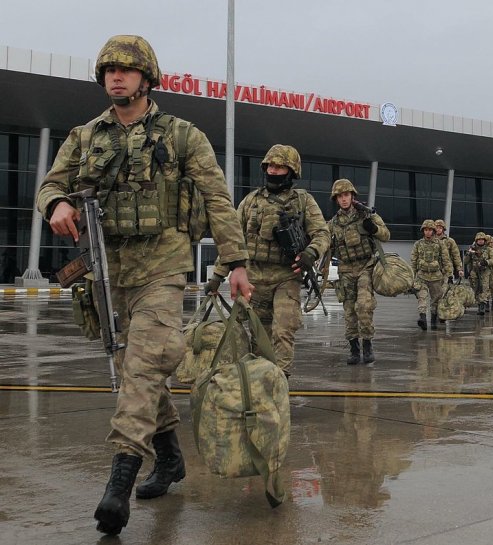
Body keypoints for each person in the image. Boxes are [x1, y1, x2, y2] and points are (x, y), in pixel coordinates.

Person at [36, 35, 253, 536]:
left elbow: (217, 199)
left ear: (147, 77)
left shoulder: (181, 135)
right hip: (108, 272)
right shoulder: (85, 136)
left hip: (163, 267)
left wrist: (236, 260)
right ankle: (171, 458)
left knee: (140, 367)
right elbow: (51, 183)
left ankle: (118, 484)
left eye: (127, 70)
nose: (116, 77)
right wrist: (56, 205)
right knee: (134, 369)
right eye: (109, 70)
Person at [206, 144, 330, 374]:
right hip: (254, 278)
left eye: (280, 166)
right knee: (258, 337)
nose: (273, 171)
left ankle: (279, 384)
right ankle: (258, 385)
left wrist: (310, 253)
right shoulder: (251, 201)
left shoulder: (303, 201)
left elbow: (322, 233)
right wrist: (217, 276)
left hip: (286, 277)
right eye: (271, 165)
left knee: (283, 332)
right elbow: (233, 240)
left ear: (291, 171)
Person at [328, 179, 390, 364]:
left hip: (366, 266)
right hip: (346, 269)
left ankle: (368, 344)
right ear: (336, 199)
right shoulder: (333, 223)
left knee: (363, 306)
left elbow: (386, 235)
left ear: (352, 196)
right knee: (349, 312)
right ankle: (354, 348)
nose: (344, 199)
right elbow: (322, 241)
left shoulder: (366, 216)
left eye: (346, 195)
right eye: (340, 196)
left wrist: (375, 228)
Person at [411, 220, 452, 330]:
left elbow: (446, 260)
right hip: (422, 276)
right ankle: (423, 318)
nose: (427, 232)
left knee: (436, 299)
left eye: (430, 230)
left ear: (433, 231)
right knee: (422, 297)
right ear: (423, 231)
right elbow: (413, 261)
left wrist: (449, 274)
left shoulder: (440, 244)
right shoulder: (418, 244)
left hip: (436, 277)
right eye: (425, 230)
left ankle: (433, 320)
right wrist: (412, 277)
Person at [463, 232, 493, 314]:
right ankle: (478, 303)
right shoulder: (472, 249)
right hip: (474, 272)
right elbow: (466, 261)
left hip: (485, 271)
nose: (480, 241)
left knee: (484, 287)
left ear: (484, 240)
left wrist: (486, 262)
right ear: (476, 240)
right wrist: (469, 253)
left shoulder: (488, 249)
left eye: (482, 240)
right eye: (479, 240)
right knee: (475, 288)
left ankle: (482, 306)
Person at [434, 219, 463, 283]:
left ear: (443, 229)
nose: (438, 229)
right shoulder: (430, 241)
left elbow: (456, 256)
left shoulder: (450, 241)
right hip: (434, 270)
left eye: (440, 228)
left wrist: (459, 269)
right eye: (436, 227)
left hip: (447, 270)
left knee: (446, 289)